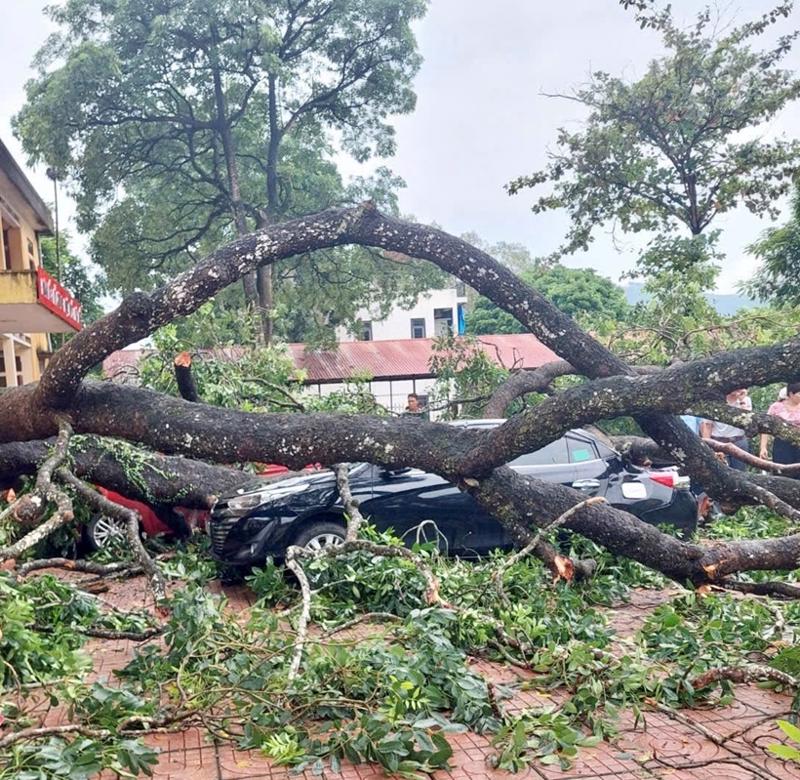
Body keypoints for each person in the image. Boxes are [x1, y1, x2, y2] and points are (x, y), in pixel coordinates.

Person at [700, 389, 751, 471]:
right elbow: (707, 425)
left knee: (740, 474)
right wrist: (708, 447)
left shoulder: (746, 400)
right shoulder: (715, 402)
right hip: (718, 442)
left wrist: (742, 401)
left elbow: (747, 423)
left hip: (739, 441)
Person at [759, 381, 800, 470]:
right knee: (782, 471)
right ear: (791, 394)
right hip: (781, 444)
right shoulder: (776, 407)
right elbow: (765, 427)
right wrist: (763, 447)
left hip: (799, 442)